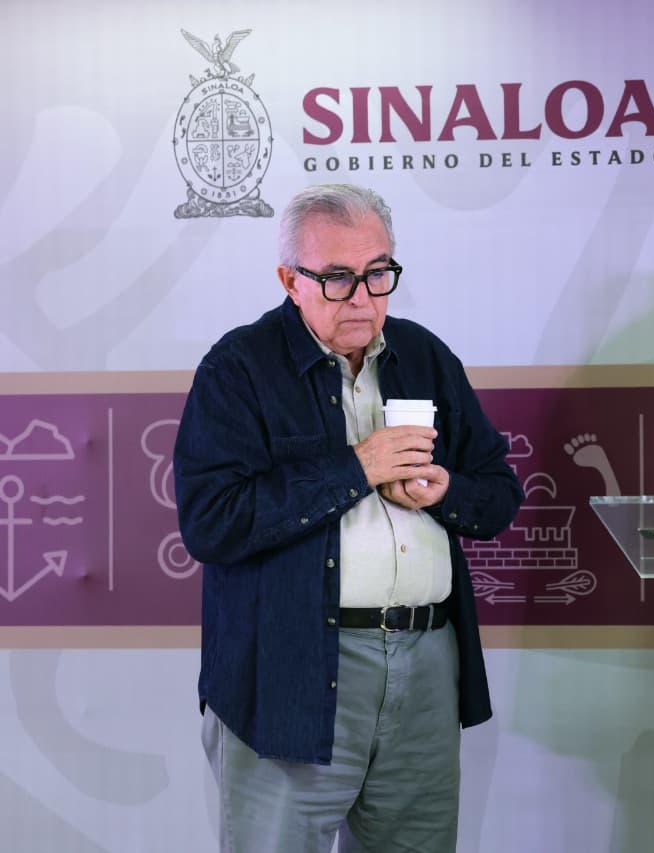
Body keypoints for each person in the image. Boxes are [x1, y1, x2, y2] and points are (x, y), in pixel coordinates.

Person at [174, 183, 523, 852]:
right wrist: (356, 467)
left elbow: (499, 493)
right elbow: (212, 521)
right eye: (337, 278)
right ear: (290, 280)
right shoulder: (239, 368)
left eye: (378, 273)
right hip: (290, 670)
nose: (362, 297)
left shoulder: (424, 356)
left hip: (426, 659)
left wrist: (445, 490)